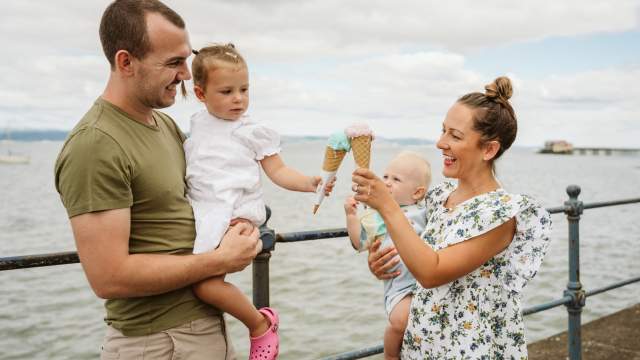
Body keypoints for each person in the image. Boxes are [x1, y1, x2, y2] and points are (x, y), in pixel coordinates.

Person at [54, 1, 262, 359]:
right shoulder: (95, 144)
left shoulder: (163, 124)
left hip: (202, 327)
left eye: (186, 58)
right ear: (125, 63)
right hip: (157, 342)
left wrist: (240, 222)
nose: (185, 74)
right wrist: (220, 260)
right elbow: (109, 276)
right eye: (173, 62)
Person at [352, 77, 552, 359]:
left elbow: (432, 272)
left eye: (455, 136)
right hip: (425, 346)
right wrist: (385, 265)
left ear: (489, 149)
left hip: (473, 350)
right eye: (443, 131)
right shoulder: (438, 197)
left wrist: (387, 206)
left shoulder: (499, 214)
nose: (440, 143)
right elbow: (417, 257)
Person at [184, 43, 330, 359]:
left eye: (244, 89)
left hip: (233, 214)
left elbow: (277, 170)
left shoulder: (252, 131)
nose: (238, 98)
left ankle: (259, 325)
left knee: (203, 286)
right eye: (226, 91)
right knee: (199, 282)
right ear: (200, 93)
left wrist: (308, 183)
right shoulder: (198, 122)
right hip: (203, 211)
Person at [344, 152, 431, 360]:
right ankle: (391, 355)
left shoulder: (424, 212)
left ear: (418, 193)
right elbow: (360, 242)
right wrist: (351, 216)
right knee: (401, 321)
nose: (387, 183)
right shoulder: (378, 216)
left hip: (424, 281)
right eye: (385, 177)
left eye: (396, 179)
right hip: (400, 286)